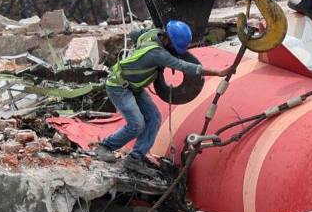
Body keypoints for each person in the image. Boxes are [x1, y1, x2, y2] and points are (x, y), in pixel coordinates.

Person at [93, 20, 234, 174]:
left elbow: (135, 34)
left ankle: (135, 158)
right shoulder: (157, 54)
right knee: (137, 124)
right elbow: (184, 66)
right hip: (119, 87)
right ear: (168, 40)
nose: (175, 50)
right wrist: (217, 72)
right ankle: (105, 147)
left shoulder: (151, 34)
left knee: (154, 118)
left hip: (134, 86)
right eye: (175, 47)